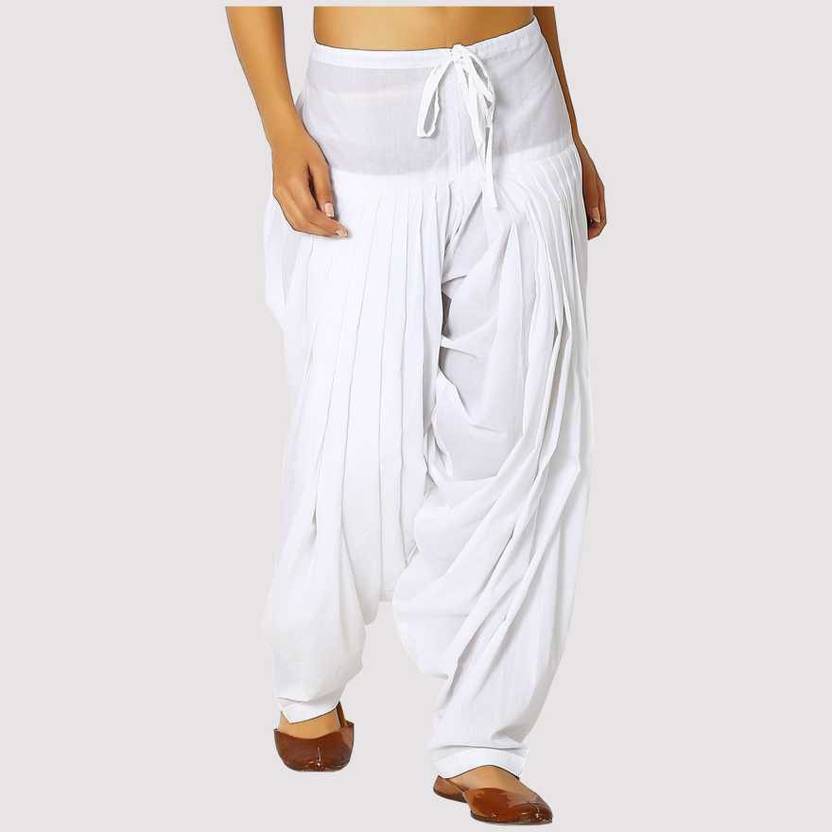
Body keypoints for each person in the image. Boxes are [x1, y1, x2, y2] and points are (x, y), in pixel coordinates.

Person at [227, 5, 605, 825]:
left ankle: (483, 739)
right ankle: (309, 680)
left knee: (525, 440)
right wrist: (280, 128)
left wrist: (571, 130)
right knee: (352, 430)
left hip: (522, 108)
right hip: (363, 123)